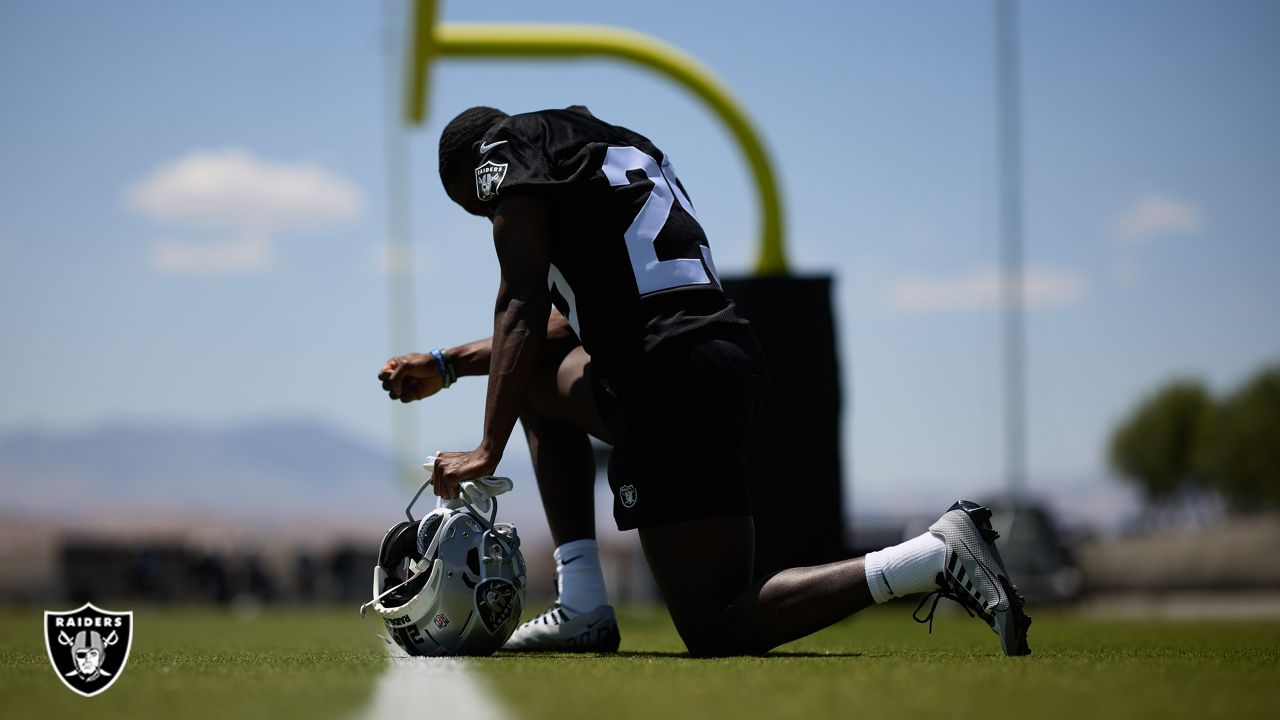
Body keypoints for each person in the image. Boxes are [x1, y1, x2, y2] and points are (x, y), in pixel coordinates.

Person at [378, 106, 1031, 657]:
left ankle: (930, 555)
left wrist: (485, 447)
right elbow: (565, 327)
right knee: (539, 384)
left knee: (717, 624)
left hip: (662, 377)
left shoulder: (501, 147)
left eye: (480, 206)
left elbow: (521, 299)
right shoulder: (605, 143)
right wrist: (445, 364)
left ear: (476, 166)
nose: (492, 218)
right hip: (716, 357)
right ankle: (582, 603)